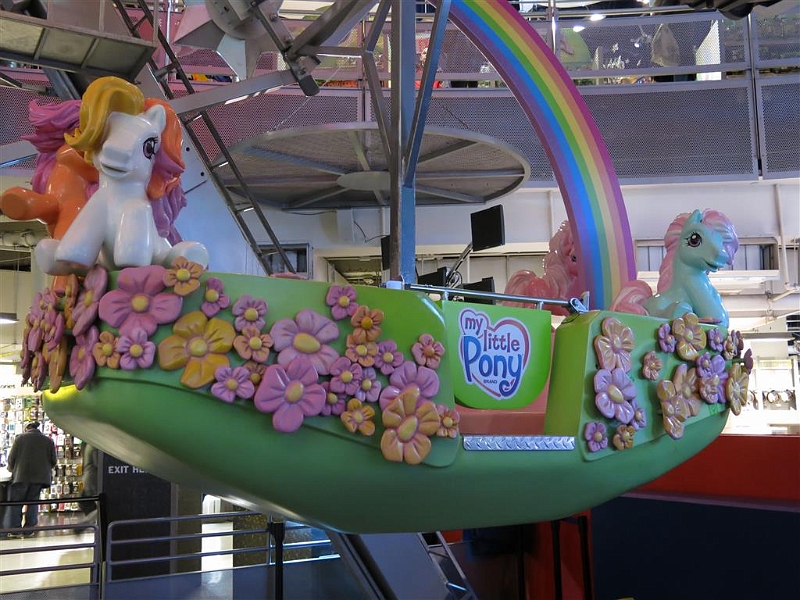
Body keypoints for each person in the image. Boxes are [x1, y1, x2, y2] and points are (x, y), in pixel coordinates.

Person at [6, 422, 57, 538]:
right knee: (33, 502)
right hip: (39, 478)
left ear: (26, 428)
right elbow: (53, 460)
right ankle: (29, 530)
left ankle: (15, 530)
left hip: (21, 476)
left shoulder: (20, 439)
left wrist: (11, 469)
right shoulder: (48, 441)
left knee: (16, 503)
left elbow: (11, 458)